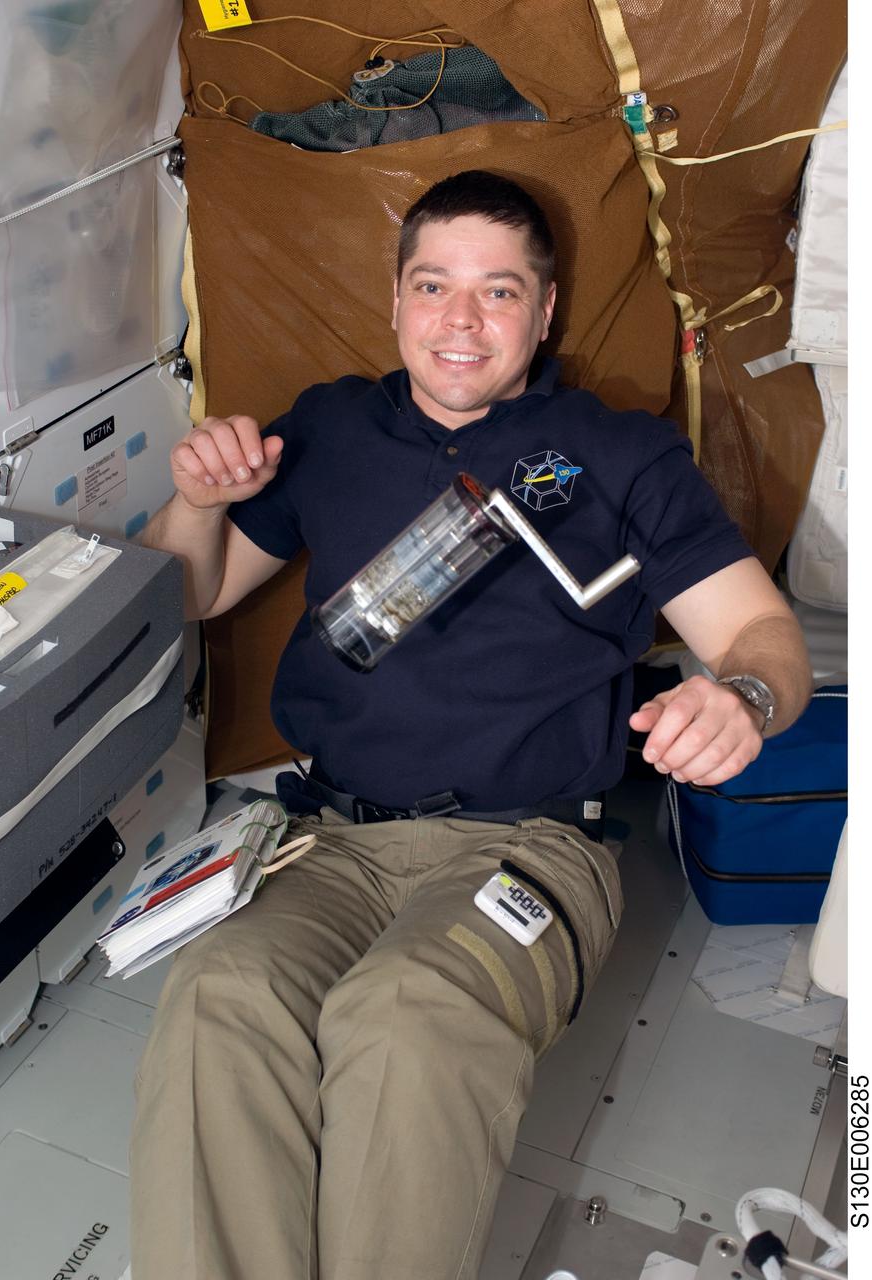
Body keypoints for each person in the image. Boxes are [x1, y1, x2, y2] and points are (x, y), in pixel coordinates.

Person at [132, 170, 812, 1279]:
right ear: (395, 298)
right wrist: (201, 496)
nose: (459, 321)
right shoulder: (330, 427)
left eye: (497, 292)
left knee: (404, 1016)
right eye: (433, 285)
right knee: (218, 998)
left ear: (543, 315)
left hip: (528, 841)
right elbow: (193, 591)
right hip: (328, 839)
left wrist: (738, 696)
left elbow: (761, 636)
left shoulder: (623, 454)